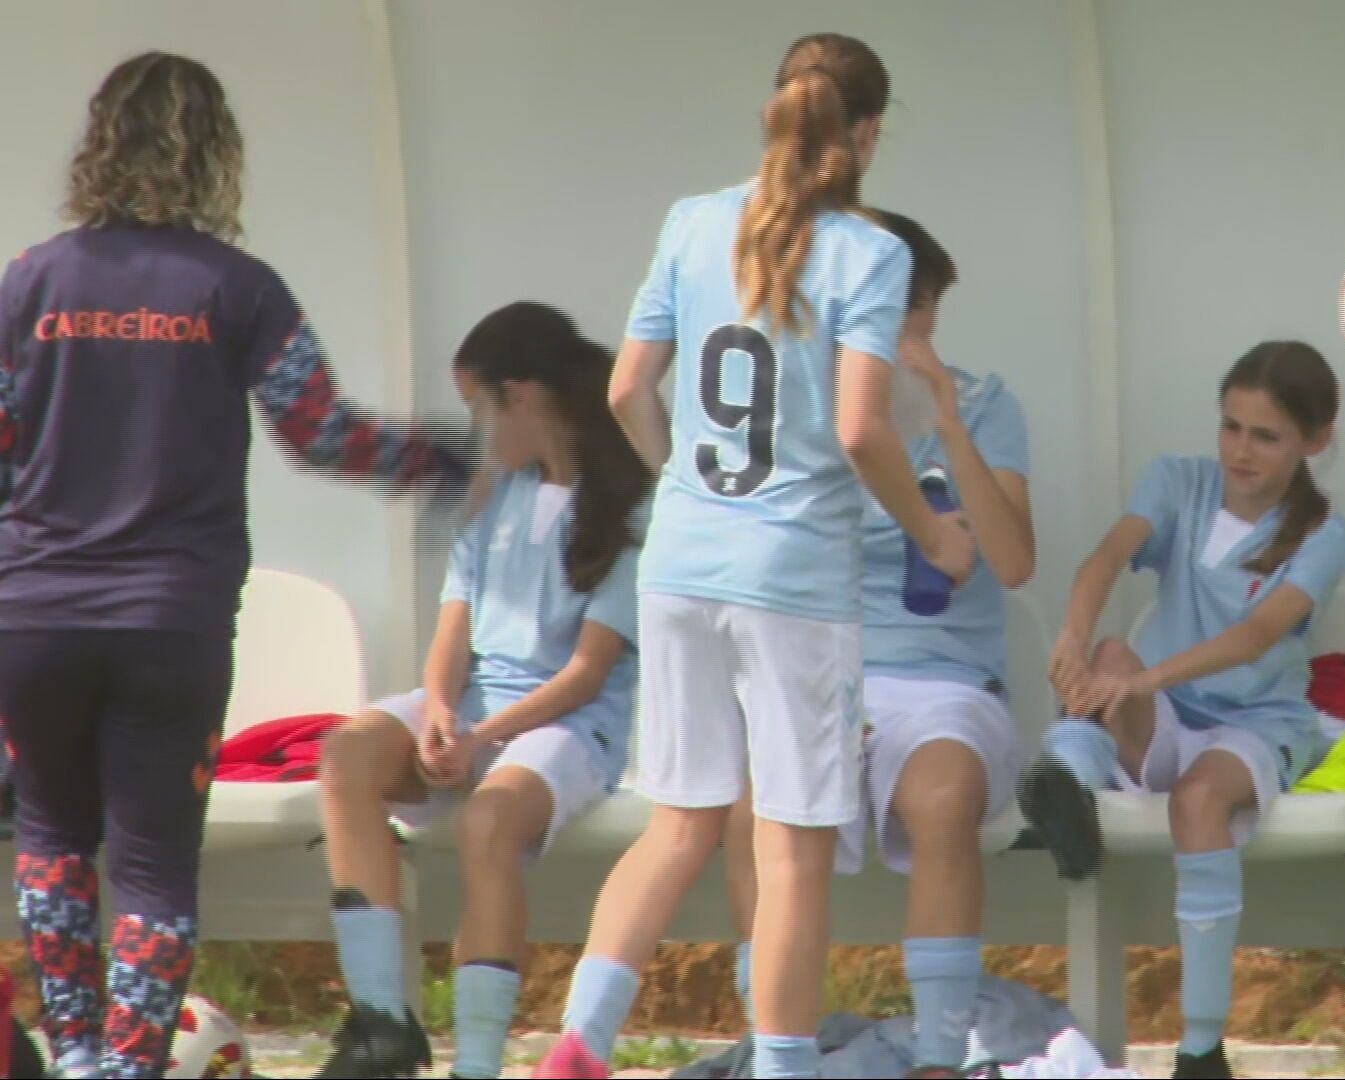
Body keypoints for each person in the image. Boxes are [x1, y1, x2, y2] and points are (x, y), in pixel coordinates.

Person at [0, 52, 472, 1079]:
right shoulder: (237, 287)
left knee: (51, 841)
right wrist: (441, 458)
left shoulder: (28, 280)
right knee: (155, 864)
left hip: (34, 616)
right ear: (214, 154)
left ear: (98, 145)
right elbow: (320, 432)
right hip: (172, 620)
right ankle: (130, 1069)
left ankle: (74, 1059)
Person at [535, 33, 973, 1080]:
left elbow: (627, 388)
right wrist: (934, 534)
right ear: (869, 133)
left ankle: (580, 1043)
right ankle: (783, 1065)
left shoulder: (692, 222)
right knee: (791, 847)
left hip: (682, 564)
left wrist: (686, 484)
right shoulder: (871, 254)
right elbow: (863, 429)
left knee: (679, 826)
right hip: (794, 582)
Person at [724, 210, 1035, 1079]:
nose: (903, 335)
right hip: (827, 670)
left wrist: (950, 425)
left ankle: (939, 1055)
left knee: (943, 794)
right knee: (753, 809)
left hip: (946, 682)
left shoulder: (985, 403)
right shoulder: (806, 410)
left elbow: (1015, 562)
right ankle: (772, 1045)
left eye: (916, 314)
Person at [314, 303, 651, 1079]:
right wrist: (439, 710)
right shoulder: (494, 498)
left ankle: (477, 1061)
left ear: (520, 396)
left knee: (488, 823)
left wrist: (481, 736)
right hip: (473, 713)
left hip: (570, 727)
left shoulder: (633, 509)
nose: (475, 429)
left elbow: (586, 673)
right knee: (347, 756)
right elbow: (453, 631)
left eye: (478, 407)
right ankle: (381, 1024)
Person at [1020, 342, 1345, 1080]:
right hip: (1164, 710)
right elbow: (1105, 560)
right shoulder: (1177, 480)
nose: (1241, 450)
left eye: (1266, 436)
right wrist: (1072, 639)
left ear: (1315, 440)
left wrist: (1146, 682)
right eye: (1230, 426)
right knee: (1109, 652)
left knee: (1198, 799)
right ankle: (1068, 789)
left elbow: (1256, 635)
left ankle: (1201, 1047)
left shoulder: (1327, 534)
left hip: (1257, 726)